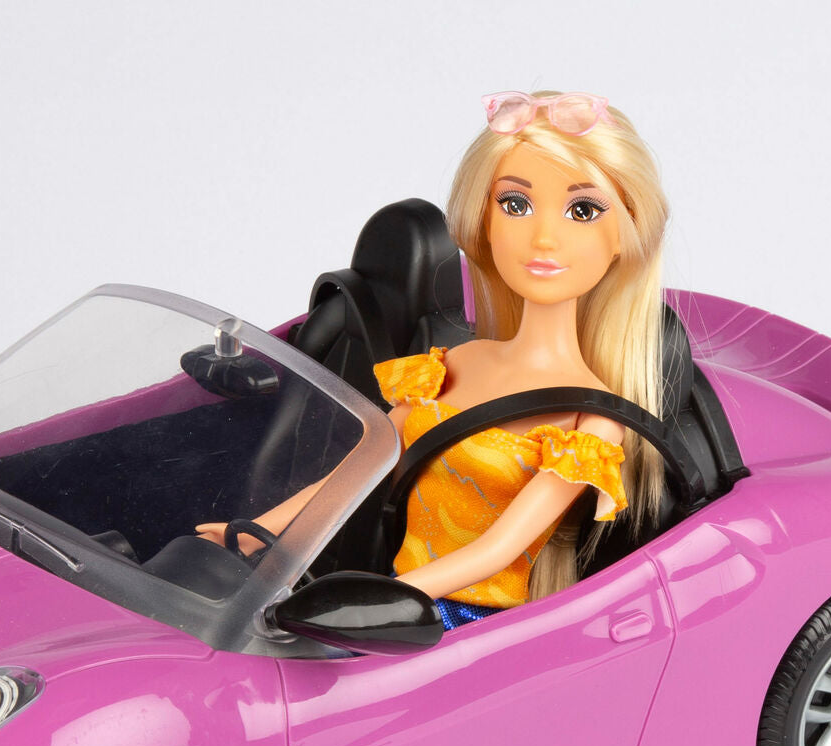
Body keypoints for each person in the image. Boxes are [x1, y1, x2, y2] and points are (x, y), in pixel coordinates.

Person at [201, 91, 669, 630]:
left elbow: (499, 549)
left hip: (468, 622)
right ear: (485, 220)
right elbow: (359, 471)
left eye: (582, 211)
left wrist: (377, 601)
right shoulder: (452, 366)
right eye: (515, 205)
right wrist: (257, 532)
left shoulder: (593, 421)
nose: (544, 238)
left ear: (625, 234)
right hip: (395, 605)